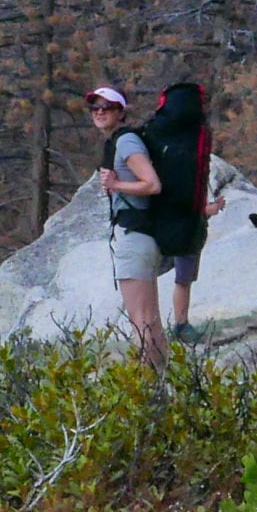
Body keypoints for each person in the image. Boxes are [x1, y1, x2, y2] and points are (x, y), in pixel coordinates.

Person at [88, 86, 168, 368]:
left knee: (141, 319)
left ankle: (148, 389)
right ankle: (162, 381)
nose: (99, 112)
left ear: (121, 112)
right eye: (95, 108)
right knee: (149, 319)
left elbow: (152, 184)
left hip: (135, 237)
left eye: (107, 108)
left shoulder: (127, 142)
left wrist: (115, 184)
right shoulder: (119, 142)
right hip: (139, 236)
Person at [168, 185, 227, 343]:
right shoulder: (184, 173)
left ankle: (181, 323)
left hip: (191, 232)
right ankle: (181, 325)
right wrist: (207, 210)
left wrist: (209, 209)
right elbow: (182, 207)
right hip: (184, 233)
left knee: (186, 280)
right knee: (183, 280)